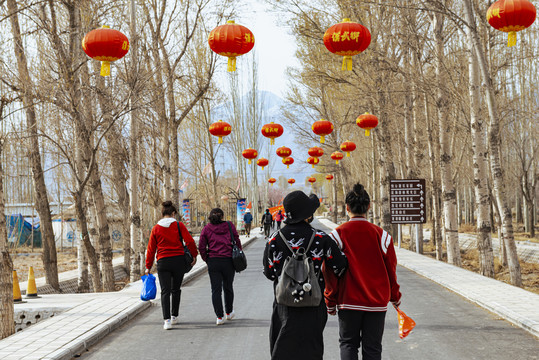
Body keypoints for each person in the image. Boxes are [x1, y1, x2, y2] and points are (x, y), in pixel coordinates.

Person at [263, 191, 347, 360]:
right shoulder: (321, 238)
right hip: (313, 304)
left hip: (284, 305)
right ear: (306, 214)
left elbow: (269, 273)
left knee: (283, 349)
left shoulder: (273, 240)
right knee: (311, 350)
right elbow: (340, 266)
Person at [323, 183, 402, 360]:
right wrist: (395, 297)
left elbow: (329, 272)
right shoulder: (383, 236)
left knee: (348, 344)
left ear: (347, 208)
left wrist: (330, 300)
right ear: (368, 207)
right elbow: (391, 271)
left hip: (348, 301)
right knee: (373, 348)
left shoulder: (336, 236)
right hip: (377, 303)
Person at [145, 201, 198, 330]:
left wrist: (148, 265)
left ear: (162, 213)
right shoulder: (179, 225)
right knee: (176, 289)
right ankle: (174, 316)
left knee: (165, 291)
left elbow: (151, 249)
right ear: (173, 213)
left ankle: (166, 320)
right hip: (178, 261)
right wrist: (194, 255)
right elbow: (189, 241)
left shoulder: (156, 228)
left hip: (163, 262)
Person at [198, 208, 243, 325]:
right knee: (228, 287)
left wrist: (206, 259)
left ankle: (219, 317)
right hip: (228, 260)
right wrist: (239, 252)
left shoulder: (206, 229)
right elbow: (237, 240)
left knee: (215, 290)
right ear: (222, 216)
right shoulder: (229, 225)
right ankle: (229, 312)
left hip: (213, 261)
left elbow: (201, 246)